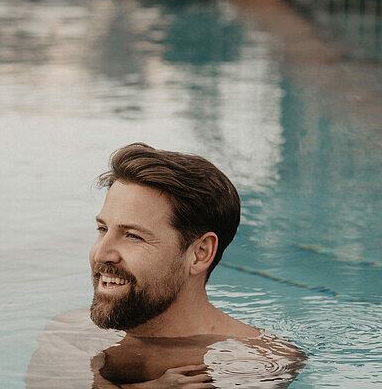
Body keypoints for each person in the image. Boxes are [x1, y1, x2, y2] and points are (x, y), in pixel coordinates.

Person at [27, 143, 305, 388]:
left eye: (133, 236)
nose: (101, 254)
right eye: (102, 229)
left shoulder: (256, 361)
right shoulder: (67, 333)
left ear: (199, 254)